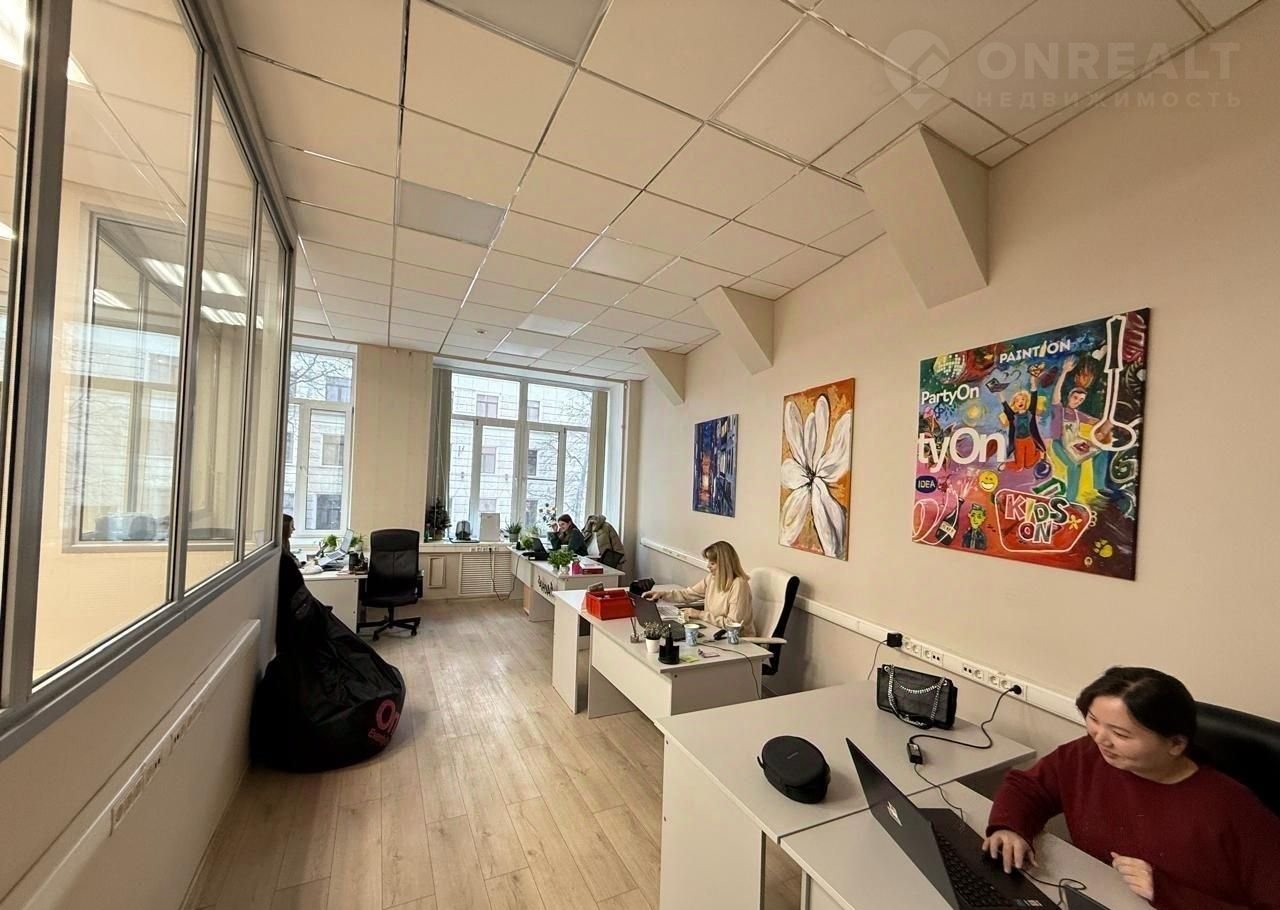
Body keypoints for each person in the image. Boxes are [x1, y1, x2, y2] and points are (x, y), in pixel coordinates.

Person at [984, 666, 1280, 909]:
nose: (1100, 739)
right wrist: (1010, 827)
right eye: (1093, 720)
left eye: (1121, 734)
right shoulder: (1089, 755)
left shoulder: (1231, 808)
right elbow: (1027, 786)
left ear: (1176, 744)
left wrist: (1167, 893)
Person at [644, 540, 754, 636]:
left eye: (712, 563)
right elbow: (688, 594)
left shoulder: (739, 585)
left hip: (738, 640)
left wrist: (700, 614)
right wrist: (661, 594)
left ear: (724, 565)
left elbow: (733, 625)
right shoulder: (712, 579)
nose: (708, 566)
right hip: (715, 632)